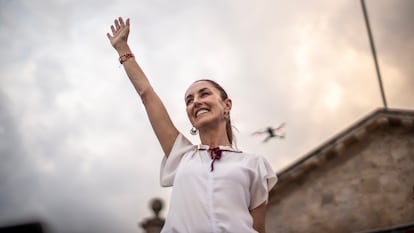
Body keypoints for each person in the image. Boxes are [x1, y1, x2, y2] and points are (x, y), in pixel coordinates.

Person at [107, 17, 277, 233]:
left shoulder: (255, 165)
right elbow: (147, 95)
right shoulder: (182, 155)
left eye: (204, 94)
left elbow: (259, 229)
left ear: (227, 105)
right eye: (189, 100)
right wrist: (123, 49)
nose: (196, 101)